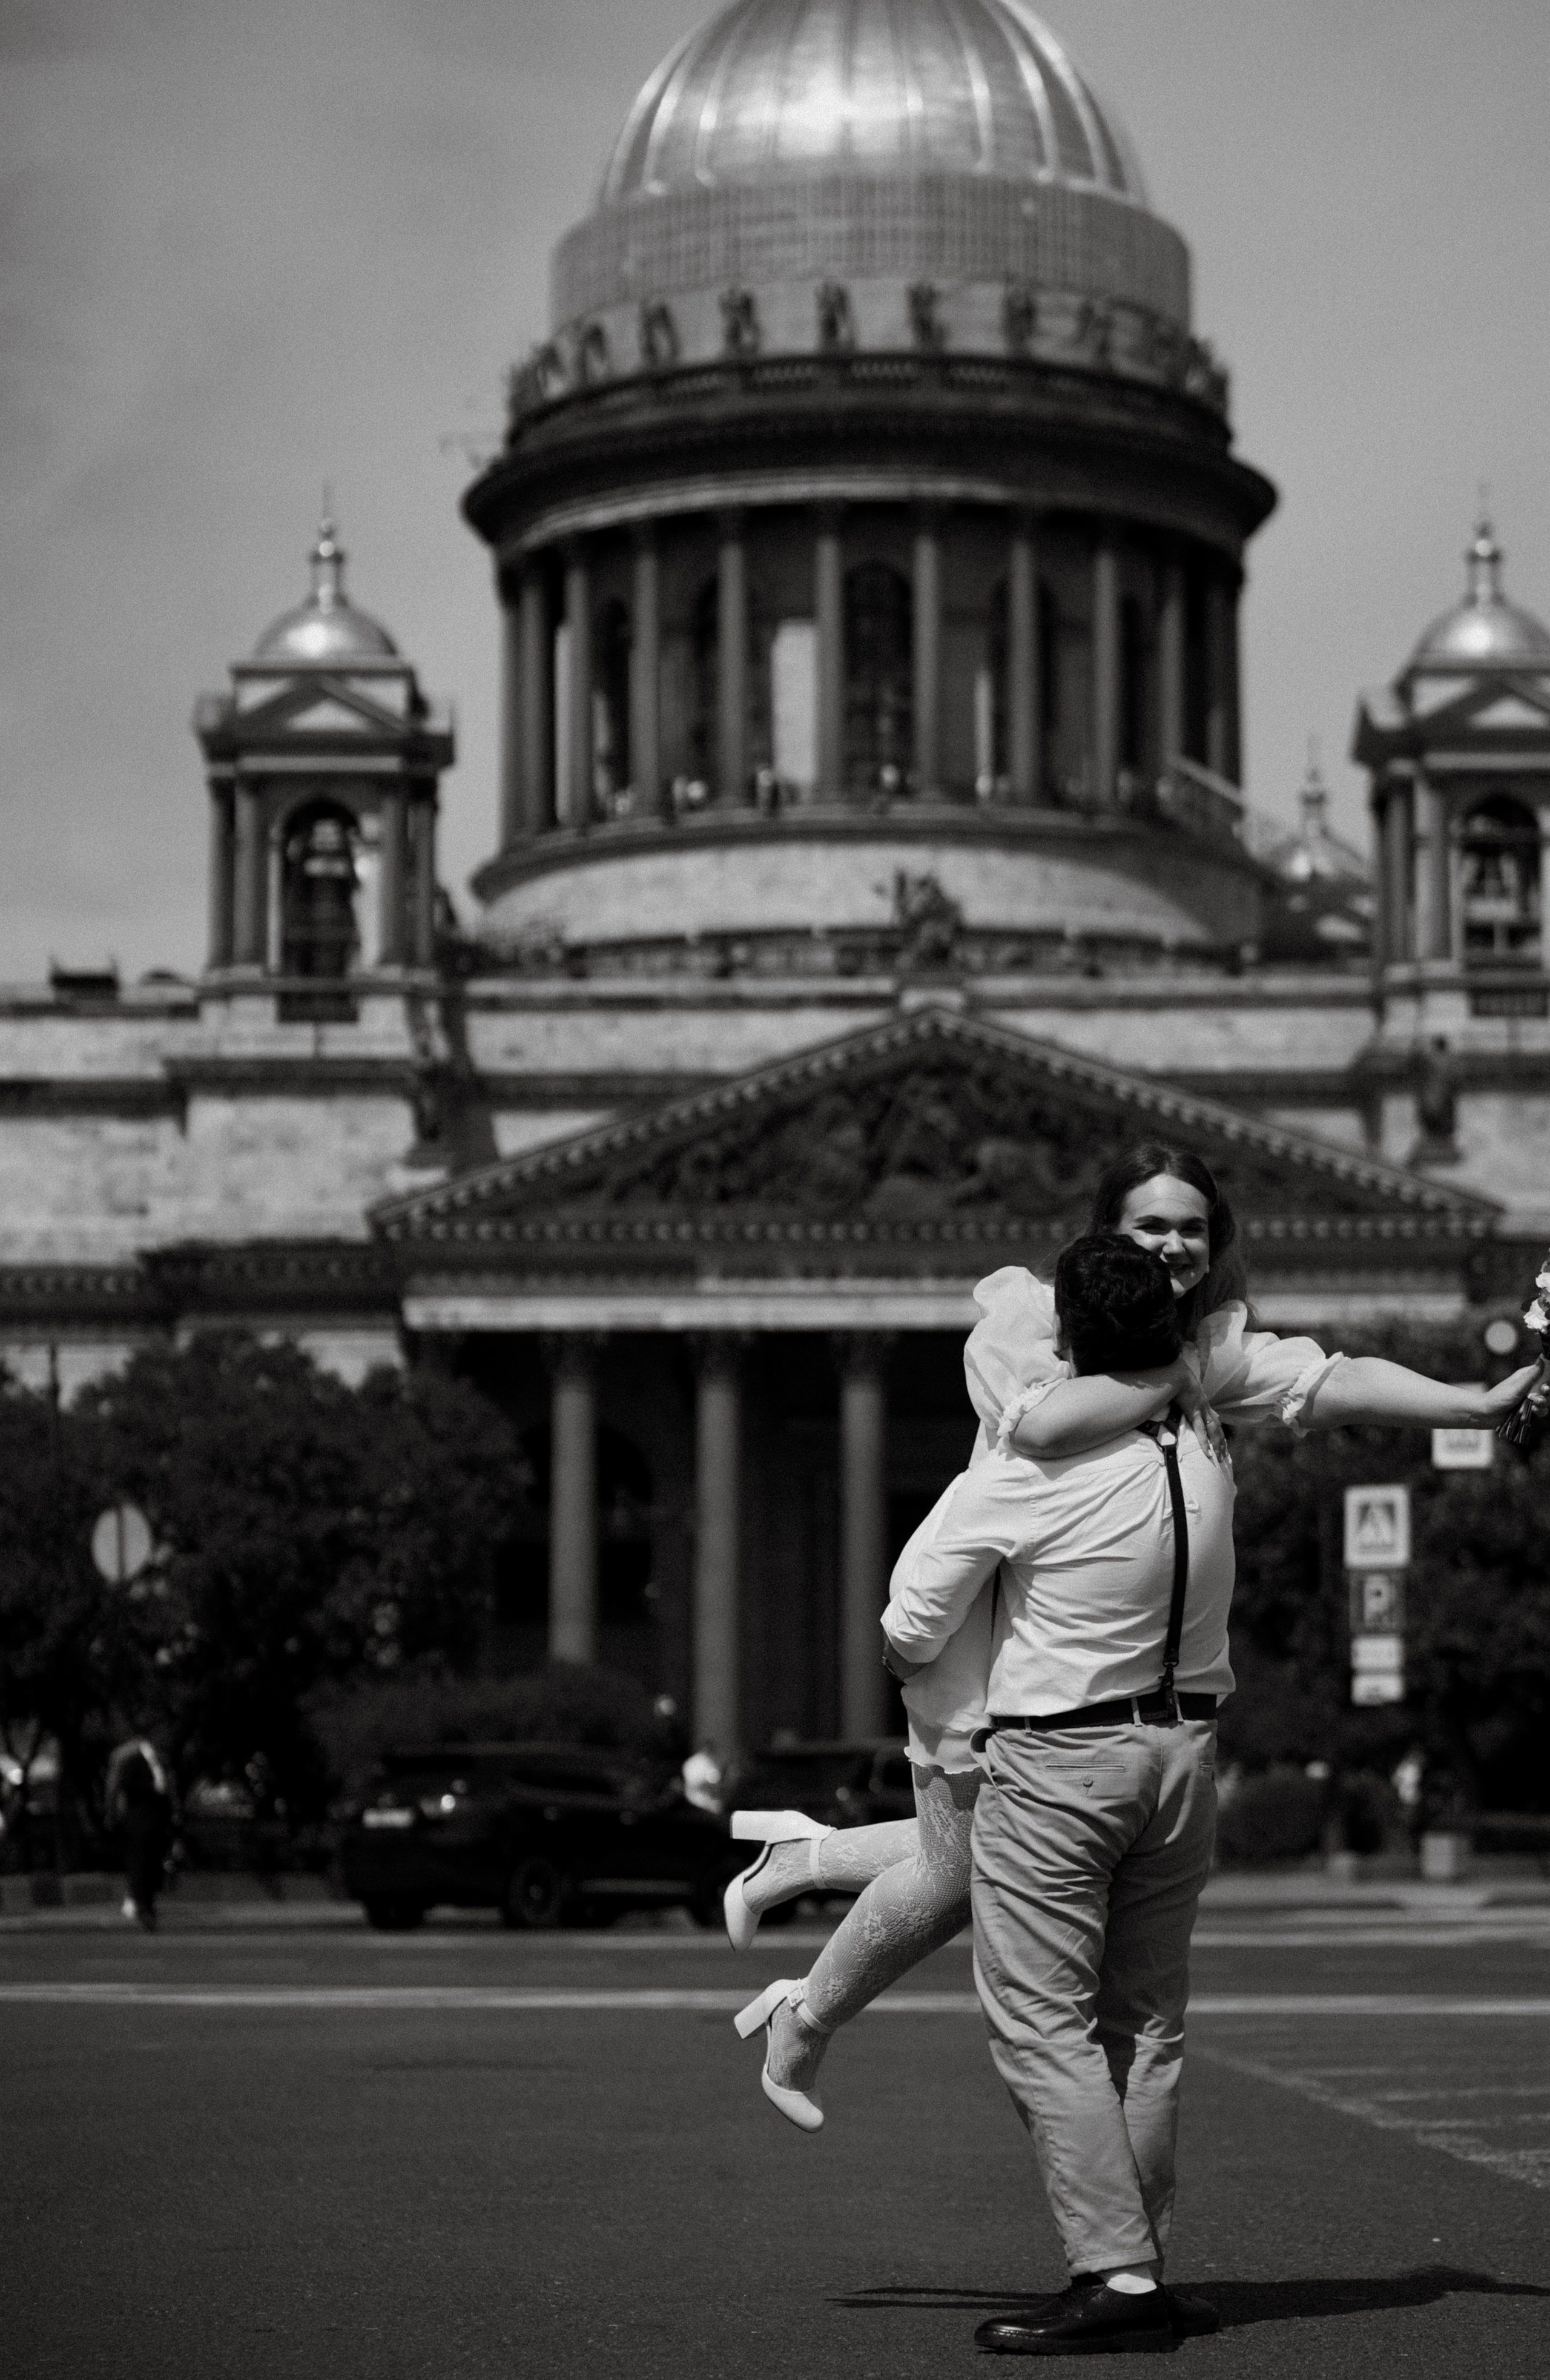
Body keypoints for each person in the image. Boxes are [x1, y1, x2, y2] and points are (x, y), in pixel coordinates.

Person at [726, 1143, 1546, 2121]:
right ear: (1104, 1233)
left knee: (976, 1856)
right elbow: (1045, 1424)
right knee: (961, 1874)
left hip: (1081, 1664)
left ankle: (803, 1867)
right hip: (989, 1645)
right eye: (1150, 1225)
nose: (1173, 1244)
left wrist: (1472, 1404)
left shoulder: (1202, 1343)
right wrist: (1186, 1371)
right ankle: (803, 2013)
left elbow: (1329, 1381)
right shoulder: (1034, 1320)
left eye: (1193, 1227)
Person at [105, 1739, 173, 1931]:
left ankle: (148, 1906)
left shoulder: (160, 1761)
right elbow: (123, 1785)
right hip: (138, 1822)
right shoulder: (133, 1760)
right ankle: (143, 1908)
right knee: (139, 1865)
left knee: (152, 1865)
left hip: (155, 1822)